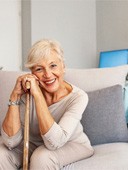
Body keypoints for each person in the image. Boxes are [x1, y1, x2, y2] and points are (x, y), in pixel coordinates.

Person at [0, 39, 94, 169]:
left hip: (71, 144)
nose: (48, 74)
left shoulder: (78, 97)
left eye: (53, 66)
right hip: (34, 144)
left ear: (63, 67)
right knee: (1, 154)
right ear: (32, 73)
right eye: (39, 69)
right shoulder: (25, 93)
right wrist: (15, 95)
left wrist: (38, 95)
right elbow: (10, 142)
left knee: (42, 157)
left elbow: (54, 143)